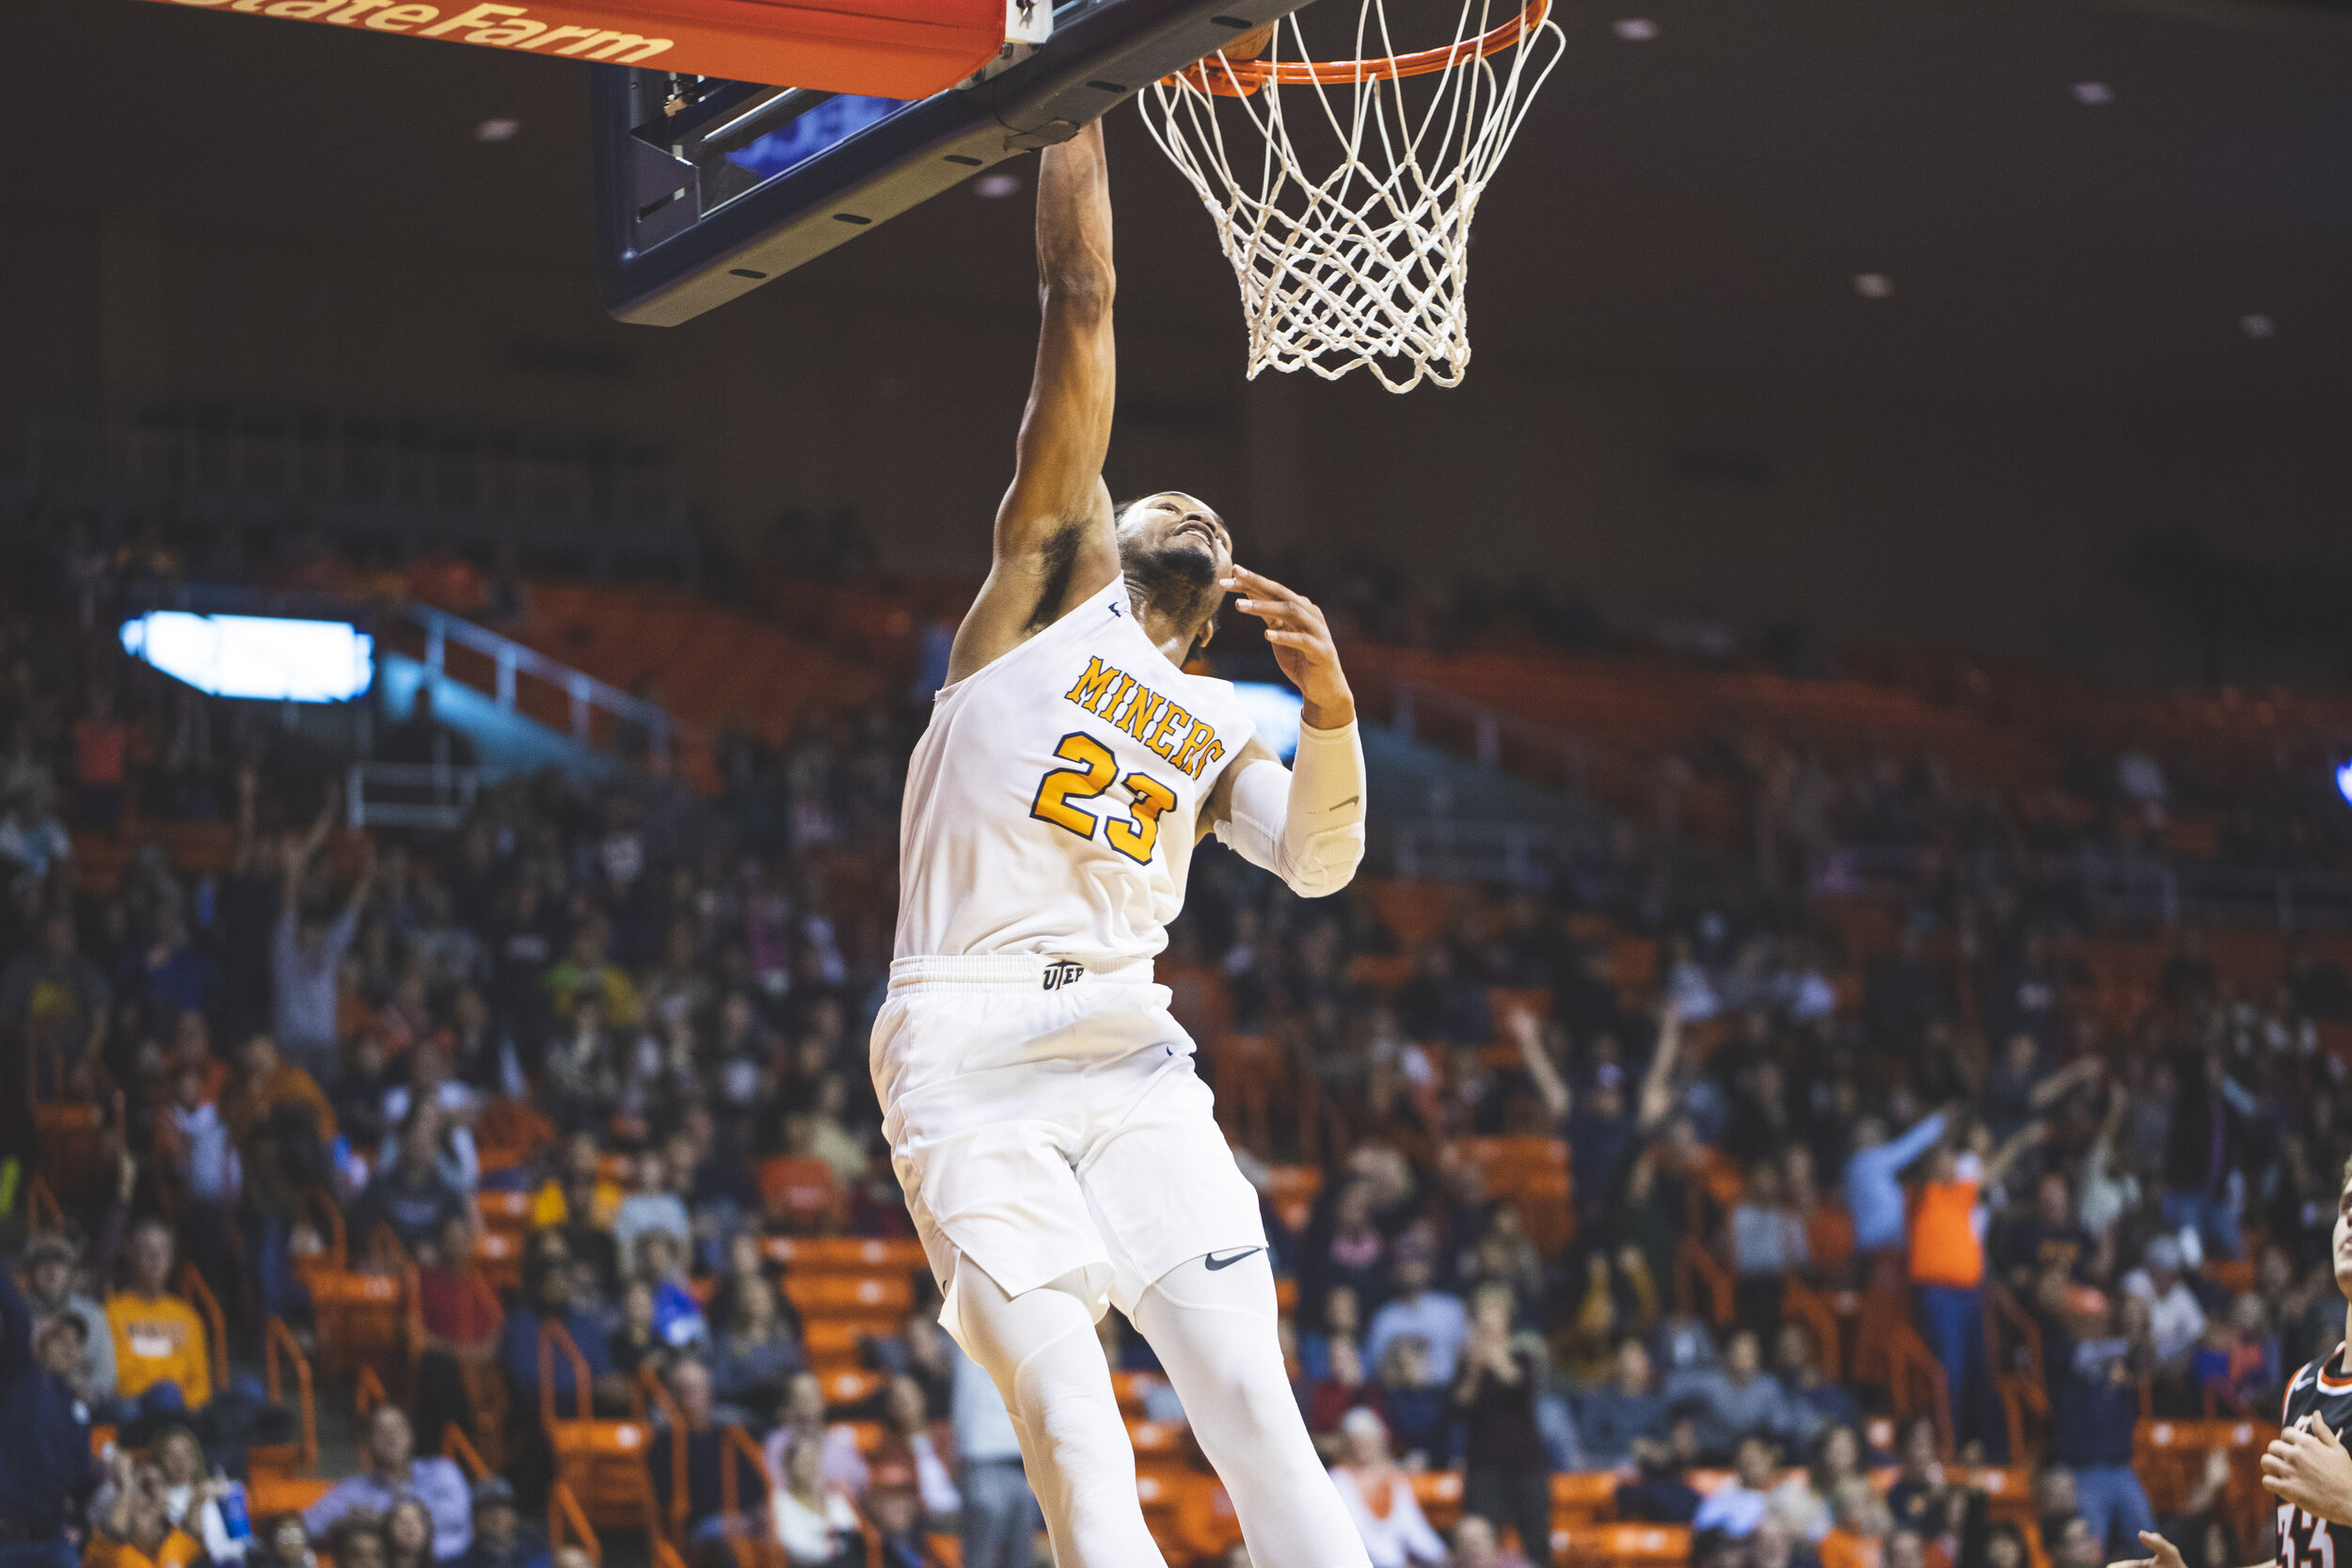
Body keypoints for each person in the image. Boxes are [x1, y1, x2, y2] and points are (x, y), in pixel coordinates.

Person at [870, 118, 1371, 1568]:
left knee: (1258, 1413)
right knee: (1080, 1437)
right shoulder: (1042, 591)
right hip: (965, 1048)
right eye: (1169, 496)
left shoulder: (1220, 719)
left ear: (1216, 601)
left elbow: (1322, 860)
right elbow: (1079, 301)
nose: (1190, 502)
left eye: (1214, 514)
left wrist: (1331, 715)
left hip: (1129, 1047)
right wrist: (1077, 95)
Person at [0, 1245, 101, 1568]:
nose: (68, 1348)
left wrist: (81, 1524)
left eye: (76, 1345)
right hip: (7, 1537)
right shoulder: (17, 1375)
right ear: (42, 1338)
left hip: (52, 1538)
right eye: (61, 1338)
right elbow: (15, 1312)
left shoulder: (77, 1410)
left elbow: (81, 1477)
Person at [1454, 1285, 1551, 1568]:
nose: (1487, 1317)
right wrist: (1474, 1367)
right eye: (1483, 1310)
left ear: (1506, 1318)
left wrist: (1494, 1355)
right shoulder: (1468, 1360)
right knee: (1479, 1545)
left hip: (1526, 1463)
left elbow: (1523, 1390)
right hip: (1484, 1464)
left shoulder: (1523, 1356)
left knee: (1537, 1545)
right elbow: (1457, 1408)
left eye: (1493, 1310)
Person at [305, 1404, 473, 1561]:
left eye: (398, 1428)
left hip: (455, 1561)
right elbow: (306, 1527)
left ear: (411, 1435)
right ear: (367, 1440)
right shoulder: (351, 1490)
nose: (391, 1436)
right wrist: (344, 1527)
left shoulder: (442, 1470)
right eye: (381, 1430)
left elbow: (458, 1515)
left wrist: (382, 1521)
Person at [104, 1218, 212, 1425]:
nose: (156, 1257)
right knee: (166, 1394)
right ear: (132, 1255)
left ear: (171, 1259)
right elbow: (118, 1379)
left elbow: (200, 1383)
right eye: (147, 1249)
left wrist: (184, 1403)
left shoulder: (188, 1316)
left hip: (182, 1409)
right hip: (134, 1409)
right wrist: (164, 1384)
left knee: (248, 1390)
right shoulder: (113, 1312)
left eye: (162, 1250)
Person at [948, 1333, 1043, 1568]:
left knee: (1020, 1555)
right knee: (981, 1555)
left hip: (1020, 1460)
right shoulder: (966, 1325)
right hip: (982, 1457)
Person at [646, 1361, 767, 1541]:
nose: (692, 1397)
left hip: (743, 1520)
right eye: (685, 1390)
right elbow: (670, 1503)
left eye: (698, 1389)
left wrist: (755, 1514)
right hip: (698, 1529)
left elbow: (756, 1488)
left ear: (709, 1392)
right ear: (674, 1395)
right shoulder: (664, 1445)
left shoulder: (729, 1437)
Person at [1329, 1409, 1447, 1568]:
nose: (1361, 1450)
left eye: (1367, 1442)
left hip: (1395, 1560)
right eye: (1356, 1443)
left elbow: (1412, 1524)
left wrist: (1441, 1555)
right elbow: (1355, 1531)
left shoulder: (1394, 1477)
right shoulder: (1339, 1478)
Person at [21, 1235, 115, 1400]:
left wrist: (86, 1390)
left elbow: (106, 1379)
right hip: (28, 1407)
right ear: (28, 1270)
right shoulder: (14, 1316)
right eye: (42, 1260)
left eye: (60, 1260)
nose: (52, 1270)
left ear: (70, 1270)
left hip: (82, 1407)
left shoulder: (92, 1315)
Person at [1365, 1238, 1470, 1386]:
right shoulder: (1384, 1317)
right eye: (1405, 1261)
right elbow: (1374, 1369)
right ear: (1395, 1269)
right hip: (1399, 1397)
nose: (1411, 1268)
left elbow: (1467, 1357)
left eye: (1417, 1260)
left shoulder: (1452, 1309)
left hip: (1445, 1395)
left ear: (1428, 1266)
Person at [769, 1434, 859, 1567]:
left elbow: (852, 1527)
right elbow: (793, 1545)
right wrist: (830, 1543)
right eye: (803, 1460)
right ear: (790, 1465)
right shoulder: (779, 1499)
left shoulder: (833, 1496)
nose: (809, 1466)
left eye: (813, 1459)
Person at [1693, 1436, 1780, 1540]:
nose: (1753, 1468)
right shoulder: (1724, 1493)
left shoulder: (1784, 1494)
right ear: (1738, 1464)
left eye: (1758, 1461)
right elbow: (1702, 1525)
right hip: (1733, 1548)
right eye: (1748, 1461)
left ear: (1769, 1461)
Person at [457, 1481, 545, 1568]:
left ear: (514, 1514)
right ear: (475, 1517)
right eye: (487, 1509)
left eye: (502, 1507)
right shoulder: (463, 1561)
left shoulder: (540, 1552)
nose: (496, 1516)